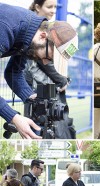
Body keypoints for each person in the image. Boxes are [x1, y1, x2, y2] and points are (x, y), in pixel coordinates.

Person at [0, 3, 78, 139]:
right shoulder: (7, 26)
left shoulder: (29, 35)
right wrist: (13, 117)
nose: (45, 62)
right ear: (43, 36)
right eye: (48, 56)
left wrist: (31, 97)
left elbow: (13, 72)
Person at [24, 0, 76, 139]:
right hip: (41, 87)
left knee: (59, 122)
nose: (53, 10)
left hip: (48, 87)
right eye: (49, 6)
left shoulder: (49, 29)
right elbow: (43, 60)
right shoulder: (34, 33)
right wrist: (62, 80)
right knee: (44, 125)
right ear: (37, 6)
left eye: (55, 7)